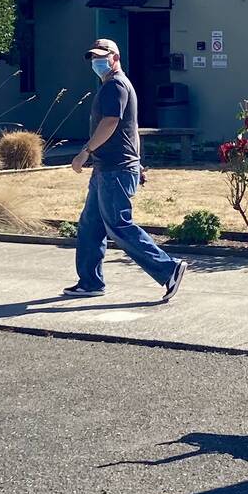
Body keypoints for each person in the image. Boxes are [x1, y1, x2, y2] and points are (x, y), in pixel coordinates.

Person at [66, 38, 186, 301]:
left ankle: (169, 269)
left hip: (115, 170)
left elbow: (111, 123)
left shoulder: (115, 85)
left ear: (115, 58)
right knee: (90, 225)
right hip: (108, 168)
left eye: (102, 57)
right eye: (94, 58)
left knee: (119, 226)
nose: (97, 62)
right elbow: (131, 130)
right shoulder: (114, 85)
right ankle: (90, 282)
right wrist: (138, 162)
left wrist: (85, 151)